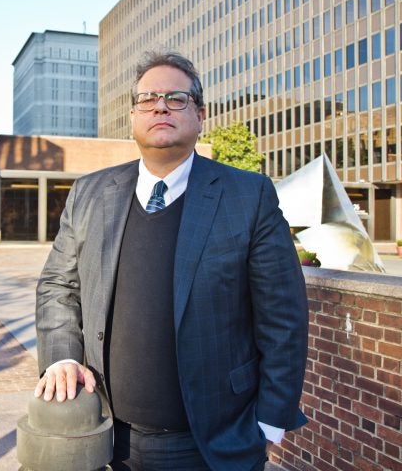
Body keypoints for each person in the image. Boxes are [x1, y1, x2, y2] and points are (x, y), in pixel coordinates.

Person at [35, 50, 309, 470]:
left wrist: (270, 422)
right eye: (148, 98)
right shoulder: (90, 193)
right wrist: (62, 356)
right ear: (132, 116)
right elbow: (58, 286)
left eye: (176, 98)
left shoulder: (247, 197)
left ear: (200, 115)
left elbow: (283, 317)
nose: (161, 106)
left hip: (211, 443)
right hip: (105, 435)